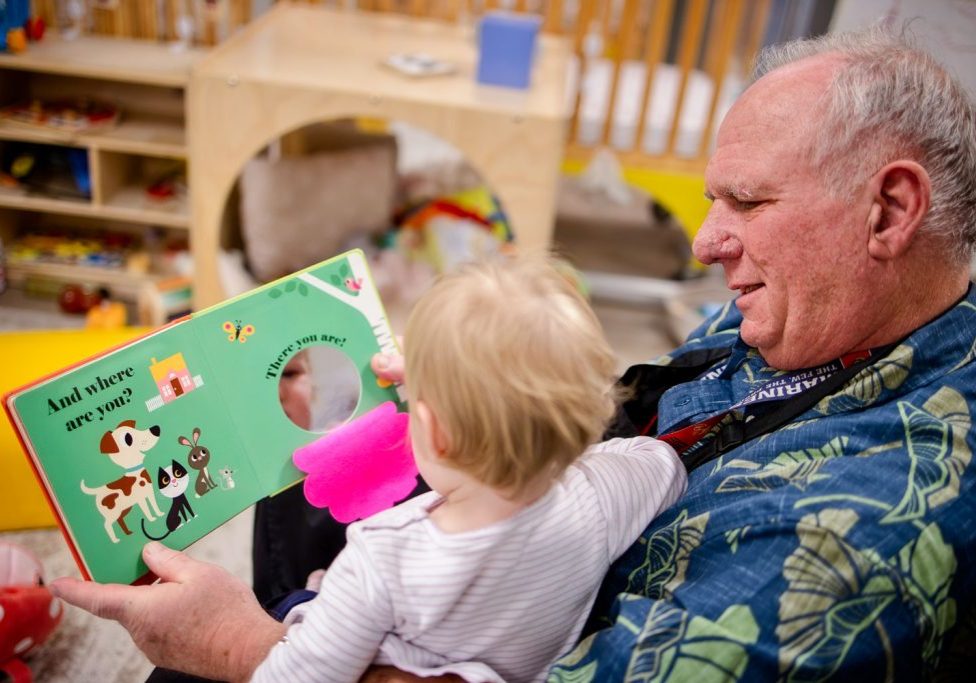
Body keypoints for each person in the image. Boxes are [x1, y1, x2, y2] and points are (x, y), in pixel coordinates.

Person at [50, 23, 976, 681]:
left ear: (889, 211)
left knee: (189, 659)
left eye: (748, 202)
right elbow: (642, 440)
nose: (702, 242)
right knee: (322, 440)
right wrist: (495, 393)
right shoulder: (821, 312)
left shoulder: (858, 544)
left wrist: (239, 646)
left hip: (515, 630)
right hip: (552, 527)